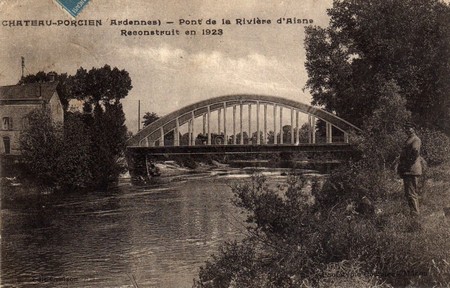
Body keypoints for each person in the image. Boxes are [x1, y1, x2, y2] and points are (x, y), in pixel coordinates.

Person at [397, 124, 422, 216]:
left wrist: (405, 165)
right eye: (406, 128)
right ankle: (413, 213)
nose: (407, 130)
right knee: (409, 193)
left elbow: (414, 154)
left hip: (411, 170)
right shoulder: (409, 140)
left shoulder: (416, 139)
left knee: (411, 193)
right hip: (408, 170)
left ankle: (415, 215)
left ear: (413, 129)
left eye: (409, 128)